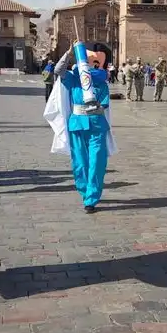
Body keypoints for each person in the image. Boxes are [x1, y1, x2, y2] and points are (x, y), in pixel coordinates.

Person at [44, 42, 118, 214]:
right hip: (77, 124)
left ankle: (92, 198)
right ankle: (85, 192)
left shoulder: (101, 83)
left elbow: (104, 104)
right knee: (80, 162)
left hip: (97, 125)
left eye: (97, 63)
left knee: (97, 162)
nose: (93, 65)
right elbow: (58, 71)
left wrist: (94, 103)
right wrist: (69, 53)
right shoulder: (73, 78)